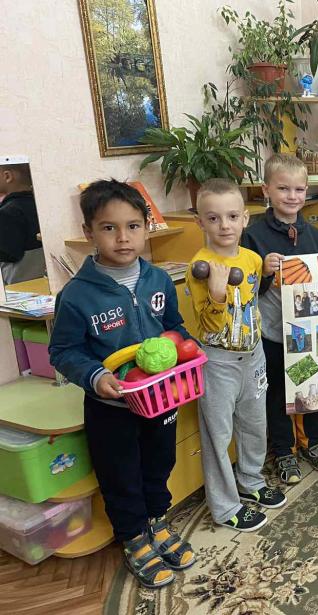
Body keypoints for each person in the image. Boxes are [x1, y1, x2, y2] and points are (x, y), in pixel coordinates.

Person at [48, 180, 195, 589]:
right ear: (89, 232)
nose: (123, 237)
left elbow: (174, 328)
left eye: (133, 226)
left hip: (162, 398)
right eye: (109, 228)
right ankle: (132, 537)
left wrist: (189, 348)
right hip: (111, 408)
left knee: (159, 463)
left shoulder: (159, 280)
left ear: (147, 227)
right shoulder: (76, 296)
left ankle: (156, 521)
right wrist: (96, 376)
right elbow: (63, 351)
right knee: (121, 474)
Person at [186, 179, 286, 532]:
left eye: (231, 216)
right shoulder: (199, 266)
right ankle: (225, 505)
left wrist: (268, 271)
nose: (224, 226)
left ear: (244, 218)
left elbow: (252, 302)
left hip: (253, 356)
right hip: (218, 362)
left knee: (254, 424)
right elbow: (209, 324)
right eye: (213, 218)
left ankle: (251, 480)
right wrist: (216, 294)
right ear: (200, 222)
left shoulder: (252, 259)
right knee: (218, 434)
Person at [242, 154, 318, 484]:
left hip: (307, 334)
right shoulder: (252, 236)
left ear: (307, 191)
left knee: (310, 386)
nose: (292, 196)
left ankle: (312, 442)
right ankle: (284, 449)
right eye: (283, 188)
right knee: (278, 392)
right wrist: (265, 272)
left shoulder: (316, 236)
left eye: (299, 189)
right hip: (272, 334)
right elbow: (245, 290)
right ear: (266, 189)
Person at [0, 162, 45, 284]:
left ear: (7, 176)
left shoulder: (7, 212)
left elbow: (8, 254)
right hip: (40, 280)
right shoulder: (40, 205)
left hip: (16, 284)